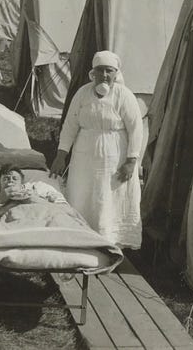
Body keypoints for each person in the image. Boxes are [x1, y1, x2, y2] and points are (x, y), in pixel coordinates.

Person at [50, 50, 144, 248]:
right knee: (82, 193)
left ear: (115, 73)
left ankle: (109, 242)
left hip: (114, 158)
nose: (104, 75)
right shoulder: (83, 93)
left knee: (107, 198)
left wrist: (131, 161)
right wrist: (61, 155)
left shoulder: (124, 95)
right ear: (93, 73)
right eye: (100, 70)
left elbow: (136, 129)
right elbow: (70, 125)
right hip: (84, 156)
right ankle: (79, 238)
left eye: (108, 71)